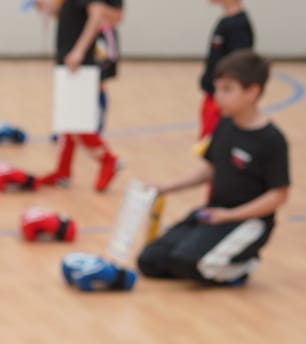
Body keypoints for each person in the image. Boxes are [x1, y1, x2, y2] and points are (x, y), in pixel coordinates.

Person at [138, 50, 288, 286]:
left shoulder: (271, 140)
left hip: (248, 221)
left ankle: (242, 266)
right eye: (217, 89)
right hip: (214, 212)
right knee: (150, 261)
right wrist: (167, 187)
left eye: (227, 89)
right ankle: (207, 256)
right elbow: (211, 168)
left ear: (252, 92)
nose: (218, 96)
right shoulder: (225, 125)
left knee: (189, 263)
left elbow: (278, 195)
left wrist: (230, 215)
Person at [32, 0, 123, 192]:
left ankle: (109, 160)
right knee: (67, 119)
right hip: (68, 59)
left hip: (79, 62)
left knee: (77, 121)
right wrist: (52, 9)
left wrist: (79, 50)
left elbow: (96, 15)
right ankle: (63, 171)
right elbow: (74, 15)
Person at [198, 0, 253, 141]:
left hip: (222, 99)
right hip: (215, 94)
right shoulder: (226, 20)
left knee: (216, 145)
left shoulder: (238, 26)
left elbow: (240, 68)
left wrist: (226, 95)